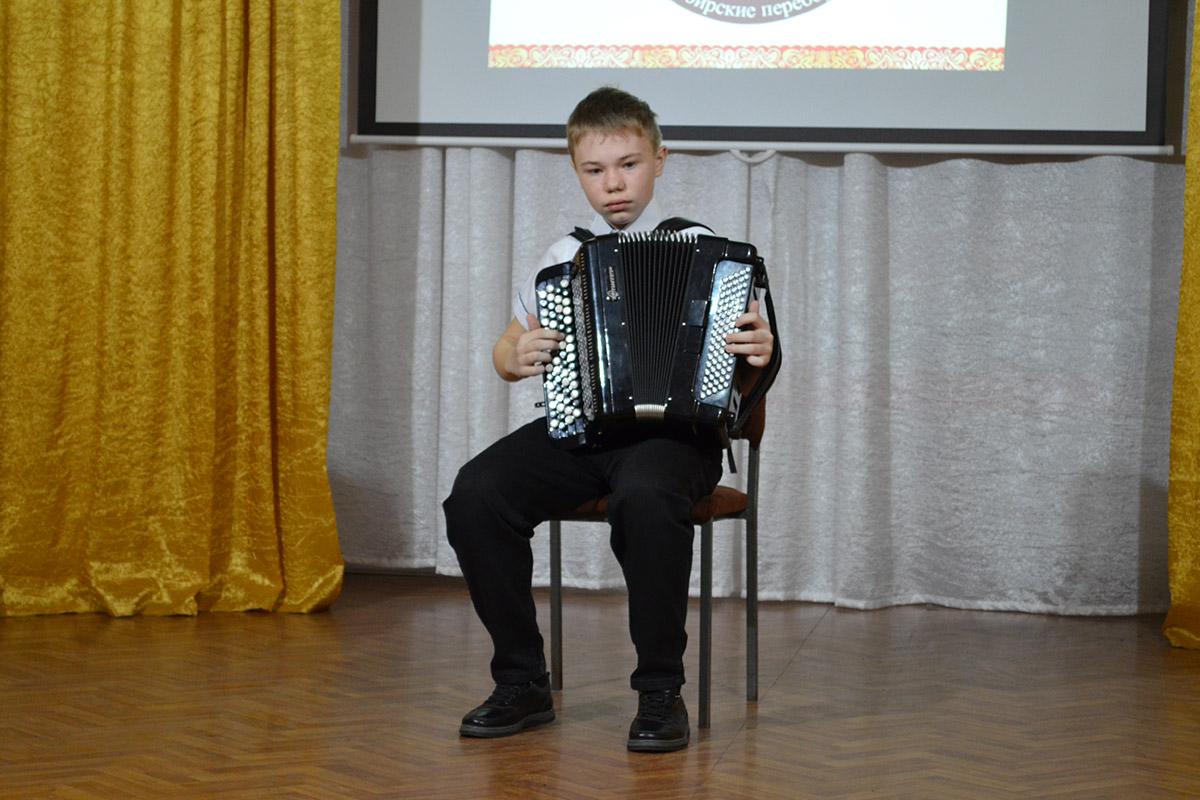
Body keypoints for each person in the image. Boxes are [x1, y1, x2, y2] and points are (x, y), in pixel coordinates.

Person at [443, 86, 775, 752]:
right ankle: (522, 681)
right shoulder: (562, 255)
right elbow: (507, 348)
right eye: (595, 170)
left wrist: (759, 351)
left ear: (659, 160)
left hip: (676, 439)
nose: (613, 184)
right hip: (581, 430)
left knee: (646, 496)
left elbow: (752, 358)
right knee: (476, 494)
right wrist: (516, 356)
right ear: (577, 173)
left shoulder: (708, 251)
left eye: (628, 164)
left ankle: (660, 693)